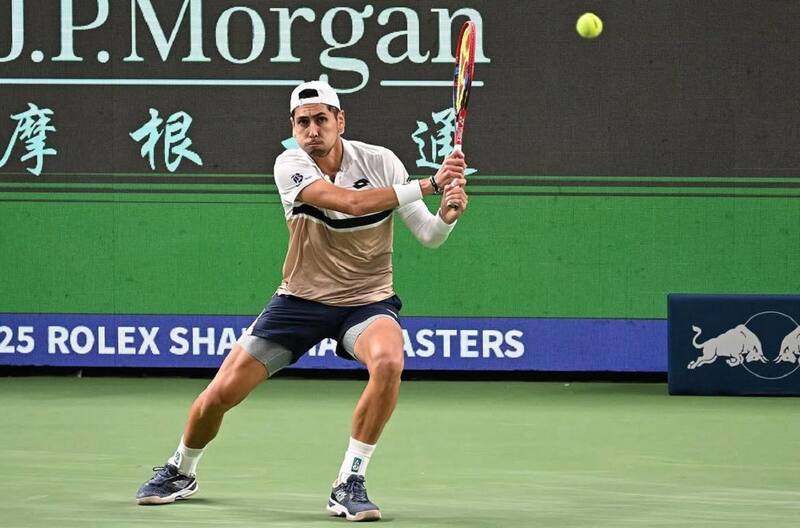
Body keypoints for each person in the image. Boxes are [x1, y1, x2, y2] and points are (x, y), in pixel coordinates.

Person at [135, 80, 468, 521]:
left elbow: (427, 234)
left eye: (321, 119)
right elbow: (348, 203)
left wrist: (446, 217)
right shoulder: (290, 165)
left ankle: (349, 481)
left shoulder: (382, 161)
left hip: (366, 299)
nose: (312, 130)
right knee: (217, 397)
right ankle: (183, 467)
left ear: (340, 121)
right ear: (293, 128)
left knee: (389, 362)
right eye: (303, 122)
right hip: (300, 300)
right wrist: (428, 183)